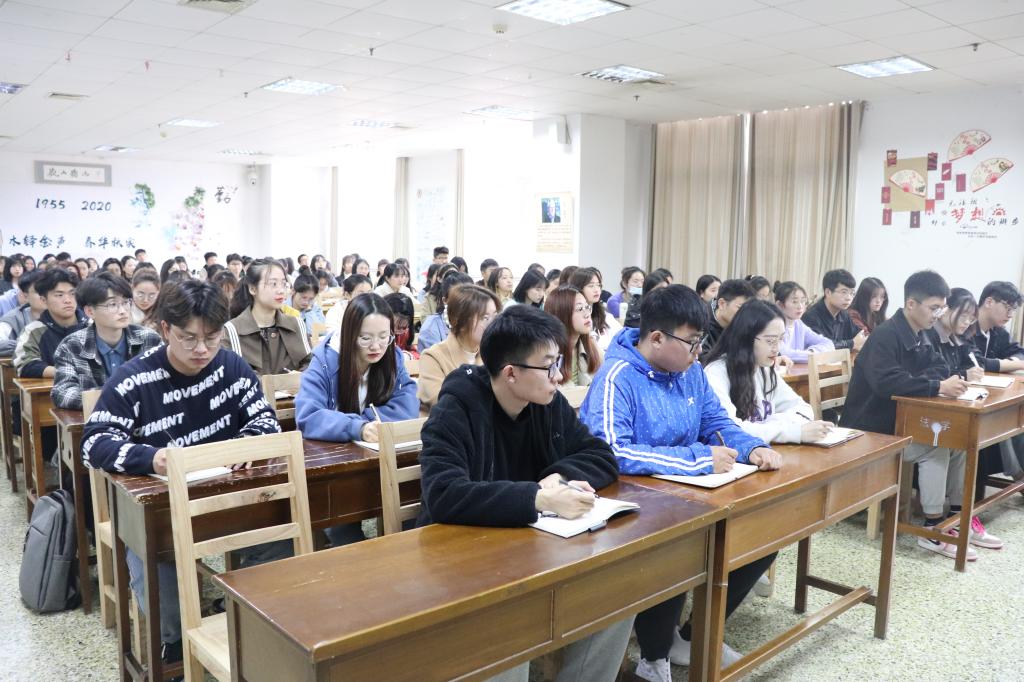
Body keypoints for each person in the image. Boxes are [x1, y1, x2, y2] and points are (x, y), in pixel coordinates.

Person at [416, 304, 631, 682]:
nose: (559, 375)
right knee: (514, 626)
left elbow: (601, 455)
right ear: (511, 372)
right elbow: (444, 494)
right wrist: (538, 498)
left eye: (558, 362)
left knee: (618, 595)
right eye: (548, 365)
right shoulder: (456, 408)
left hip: (531, 549)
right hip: (463, 557)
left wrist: (558, 475)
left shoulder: (547, 402)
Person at [580, 285, 781, 680]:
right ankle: (654, 658)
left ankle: (694, 634)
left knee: (763, 535)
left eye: (701, 341)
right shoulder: (617, 377)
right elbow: (612, 452)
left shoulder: (690, 373)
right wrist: (698, 459)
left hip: (688, 492)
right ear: (657, 338)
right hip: (634, 501)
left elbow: (716, 422)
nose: (698, 352)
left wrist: (751, 447)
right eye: (692, 342)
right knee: (679, 549)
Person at [81, 279, 284, 669]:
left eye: (212, 337)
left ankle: (248, 623)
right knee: (156, 566)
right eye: (189, 338)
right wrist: (152, 458)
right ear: (165, 329)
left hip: (224, 497)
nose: (202, 349)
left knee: (277, 541)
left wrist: (247, 442)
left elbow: (265, 420)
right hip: (163, 509)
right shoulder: (135, 378)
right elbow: (94, 443)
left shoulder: (231, 366)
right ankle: (174, 649)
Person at [839, 271, 987, 560]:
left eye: (941, 308)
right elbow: (886, 383)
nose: (938, 314)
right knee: (936, 448)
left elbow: (939, 367)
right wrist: (935, 386)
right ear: (911, 304)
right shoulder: (886, 335)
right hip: (870, 427)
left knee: (959, 442)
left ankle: (957, 518)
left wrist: (931, 381)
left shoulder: (922, 333)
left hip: (900, 421)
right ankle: (932, 529)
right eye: (934, 308)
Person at [295, 292, 418, 442]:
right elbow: (309, 416)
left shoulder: (393, 357)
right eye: (366, 338)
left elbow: (409, 403)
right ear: (349, 335)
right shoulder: (324, 364)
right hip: (331, 451)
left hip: (375, 446)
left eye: (383, 337)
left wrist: (367, 423)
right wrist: (358, 427)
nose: (376, 346)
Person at [703, 300, 831, 444]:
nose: (777, 349)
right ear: (746, 338)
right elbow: (730, 430)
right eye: (770, 341)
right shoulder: (716, 373)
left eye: (781, 339)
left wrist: (772, 425)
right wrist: (793, 432)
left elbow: (804, 409)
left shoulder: (764, 369)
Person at [51, 273, 162, 410]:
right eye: (112, 304)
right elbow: (62, 392)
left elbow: (164, 383)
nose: (123, 311)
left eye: (125, 302)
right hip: (96, 420)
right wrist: (114, 398)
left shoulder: (150, 339)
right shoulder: (71, 346)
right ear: (90, 311)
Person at [223, 258, 311, 375]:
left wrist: (301, 377)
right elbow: (234, 376)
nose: (281, 291)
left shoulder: (297, 324)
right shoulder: (231, 331)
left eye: (284, 284)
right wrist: (281, 382)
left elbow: (310, 365)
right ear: (252, 289)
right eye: (273, 284)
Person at [417, 285, 499, 407]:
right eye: (485, 318)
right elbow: (443, 402)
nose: (493, 325)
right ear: (459, 320)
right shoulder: (433, 357)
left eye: (495, 317)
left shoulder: (493, 354)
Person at [14, 268, 85, 378]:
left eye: (72, 293)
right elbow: (24, 364)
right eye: (59, 295)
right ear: (44, 300)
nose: (68, 300)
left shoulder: (92, 325)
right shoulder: (34, 330)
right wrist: (69, 372)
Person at [545, 286, 602, 387]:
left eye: (587, 307)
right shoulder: (547, 354)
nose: (587, 314)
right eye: (580, 309)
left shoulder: (591, 346)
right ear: (562, 314)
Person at [802, 269, 868, 352]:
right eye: (844, 292)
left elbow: (859, 336)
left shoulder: (844, 314)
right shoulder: (811, 316)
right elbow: (822, 346)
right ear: (828, 292)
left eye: (852, 293)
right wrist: (851, 343)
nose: (849, 298)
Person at [774, 281, 834, 363]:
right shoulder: (773, 326)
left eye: (803, 301)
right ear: (779, 305)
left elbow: (829, 344)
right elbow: (783, 353)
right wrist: (812, 356)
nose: (800, 306)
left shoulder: (798, 324)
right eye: (794, 302)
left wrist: (812, 352)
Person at [417, 272, 473, 353]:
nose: (467, 302)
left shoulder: (476, 323)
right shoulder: (431, 328)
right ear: (445, 300)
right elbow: (437, 358)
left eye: (471, 296)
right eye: (460, 297)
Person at [569, 267, 621, 350]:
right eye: (591, 286)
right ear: (578, 288)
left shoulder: (605, 316)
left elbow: (622, 336)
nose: (597, 290)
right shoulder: (574, 317)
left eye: (598, 285)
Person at [701, 278, 755, 355]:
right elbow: (701, 359)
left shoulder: (743, 325)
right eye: (740, 307)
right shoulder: (701, 324)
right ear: (722, 304)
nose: (746, 314)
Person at [0, 270, 45, 357]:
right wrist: (30, 345)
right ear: (25, 296)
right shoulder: (13, 319)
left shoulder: (64, 315)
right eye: (39, 292)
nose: (45, 296)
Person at [383, 293, 418, 361]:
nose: (395, 330)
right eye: (392, 326)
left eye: (402, 327)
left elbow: (415, 353)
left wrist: (408, 355)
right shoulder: (377, 334)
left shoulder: (405, 333)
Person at [290, 273, 326, 338]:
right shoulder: (283, 308)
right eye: (303, 297)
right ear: (293, 291)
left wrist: (309, 311)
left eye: (311, 299)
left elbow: (321, 332)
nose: (306, 302)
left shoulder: (315, 309)